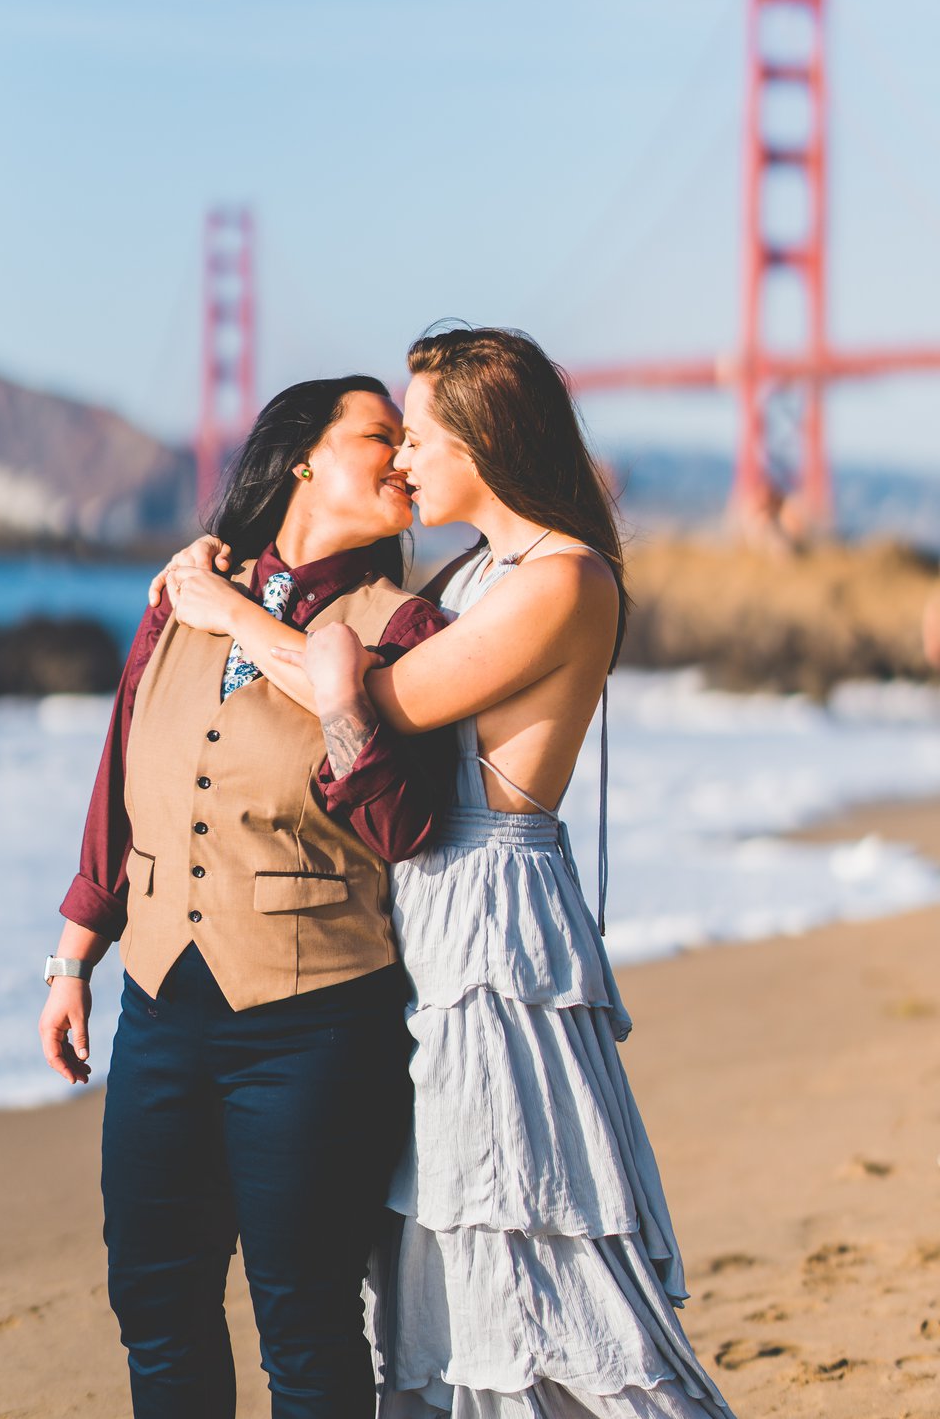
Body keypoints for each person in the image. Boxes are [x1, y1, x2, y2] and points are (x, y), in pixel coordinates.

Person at [172, 327, 736, 1416]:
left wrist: (234, 616)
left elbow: (389, 707)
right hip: (425, 910)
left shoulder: (563, 578)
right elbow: (349, 690)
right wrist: (235, 573)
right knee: (438, 1241)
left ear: (482, 438)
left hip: (495, 926)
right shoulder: (471, 571)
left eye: (420, 435)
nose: (402, 462)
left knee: (523, 1220)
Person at [38, 375, 455, 1419]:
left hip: (315, 1024)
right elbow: (122, 771)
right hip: (159, 1012)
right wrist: (73, 954)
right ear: (304, 455)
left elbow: (406, 824)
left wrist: (339, 686)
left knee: (307, 1322)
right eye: (381, 435)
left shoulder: (401, 623)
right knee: (155, 1300)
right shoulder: (181, 595)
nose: (404, 458)